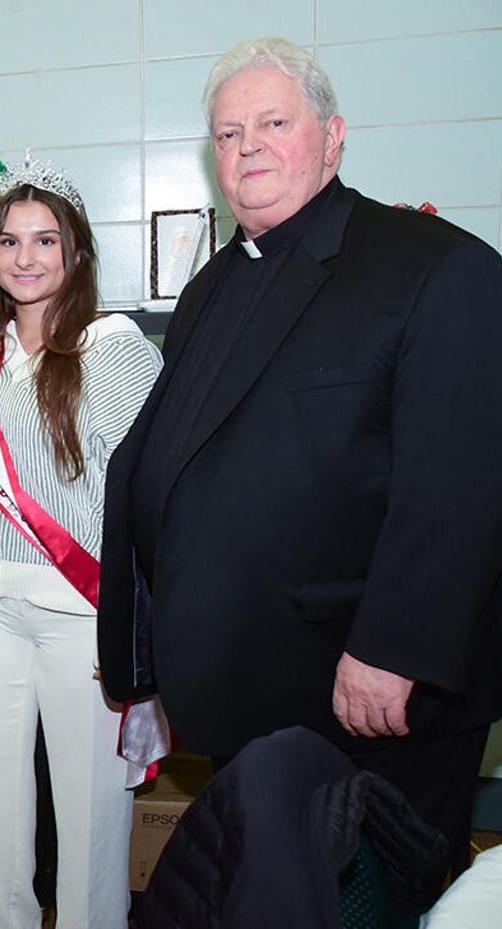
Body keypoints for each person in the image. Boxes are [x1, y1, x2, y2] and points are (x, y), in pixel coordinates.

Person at [97, 36, 502, 878]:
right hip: (250, 689)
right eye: (229, 133)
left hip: (364, 695)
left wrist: (395, 649)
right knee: (268, 889)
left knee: (365, 900)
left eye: (273, 123)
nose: (248, 146)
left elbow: (461, 485)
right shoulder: (212, 286)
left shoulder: (433, 267)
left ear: (332, 136)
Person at [0, 161, 162, 929]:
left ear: (77, 251)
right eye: (9, 240)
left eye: (45, 239)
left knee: (90, 810)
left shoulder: (112, 348)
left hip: (82, 614)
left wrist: (134, 623)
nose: (26, 256)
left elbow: (153, 493)